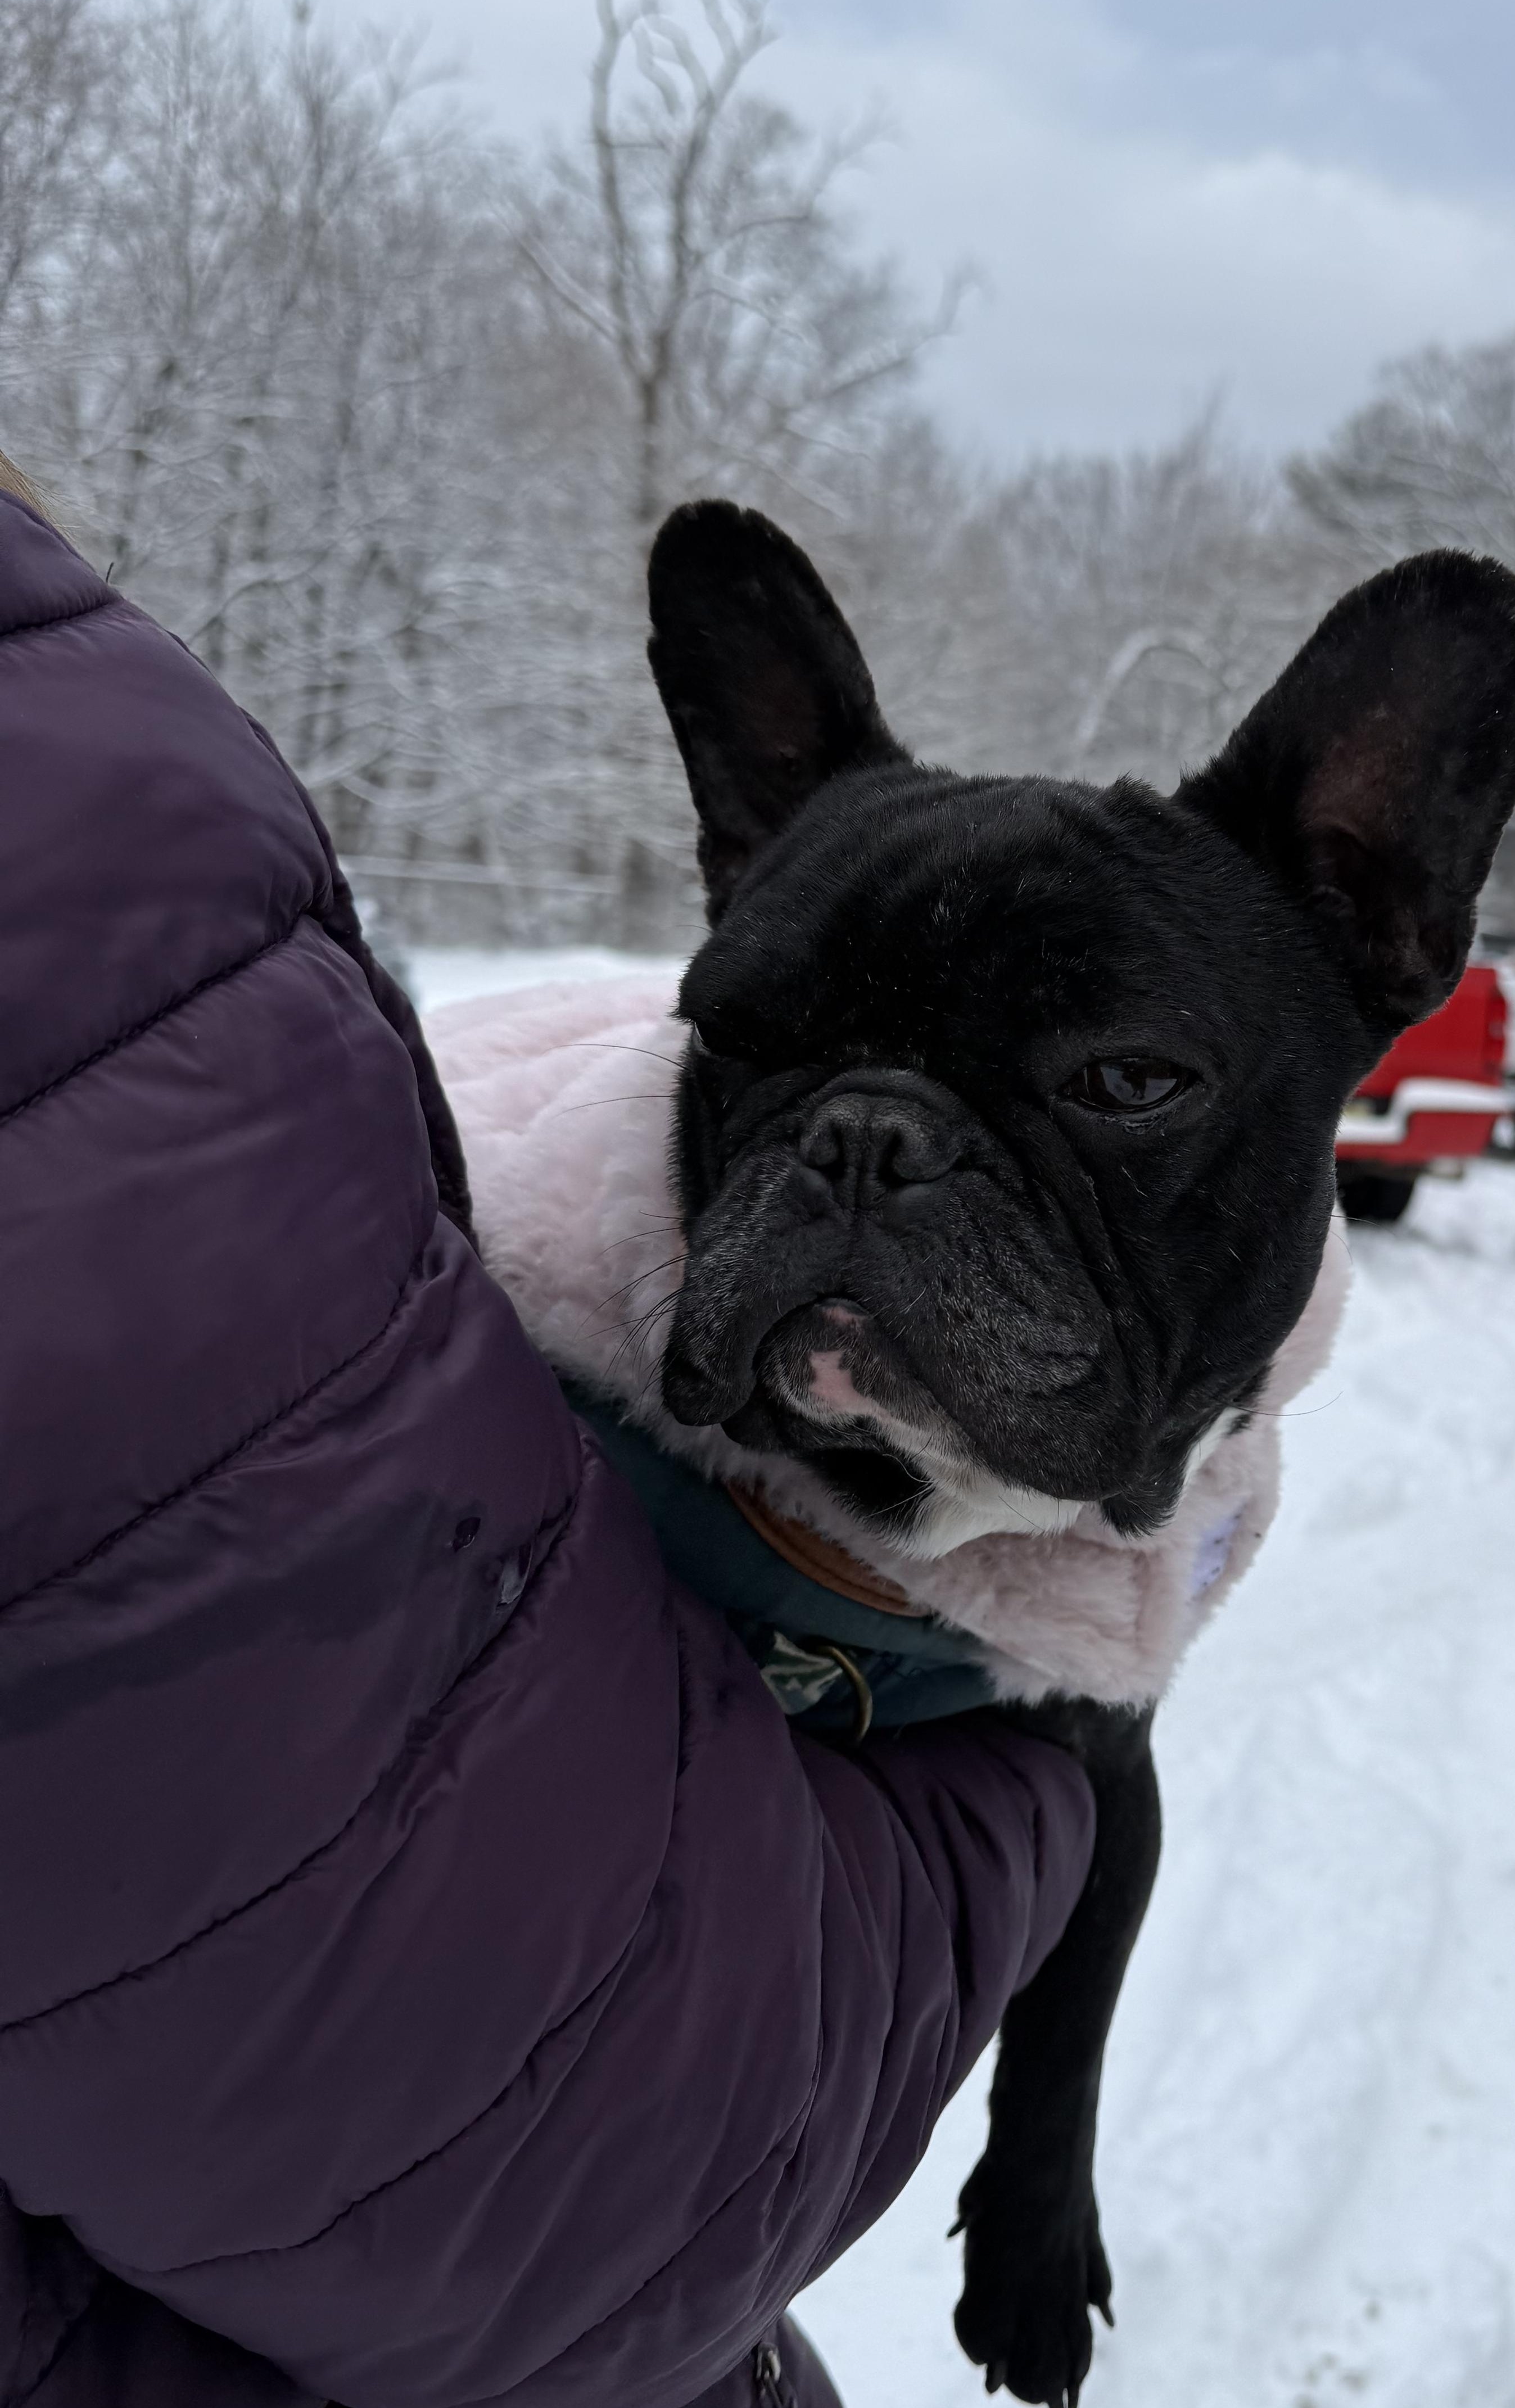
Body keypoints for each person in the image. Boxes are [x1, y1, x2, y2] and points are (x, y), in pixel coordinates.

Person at [0, 470, 1095, 2406]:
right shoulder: (104, 776)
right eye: (777, 1043)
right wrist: (1007, 1839)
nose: (868, 1160)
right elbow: (555, 2172)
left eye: (1110, 1088)